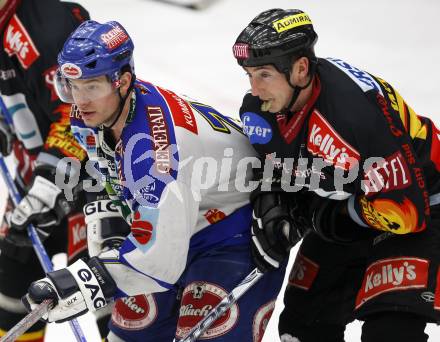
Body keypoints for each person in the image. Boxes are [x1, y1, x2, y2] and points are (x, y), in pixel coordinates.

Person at [22, 20, 287, 341]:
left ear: (123, 81)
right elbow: (109, 177)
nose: (80, 101)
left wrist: (81, 281)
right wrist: (107, 232)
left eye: (92, 87)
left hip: (236, 234)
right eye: (72, 87)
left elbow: (159, 263)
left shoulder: (156, 151)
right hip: (182, 222)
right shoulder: (94, 114)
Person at [232, 8, 440, 342]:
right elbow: (275, 167)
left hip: (422, 202)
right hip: (353, 202)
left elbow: (406, 212)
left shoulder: (355, 116)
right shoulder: (260, 111)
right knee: (302, 327)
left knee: (390, 331)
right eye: (249, 75)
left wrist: (331, 215)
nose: (255, 90)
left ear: (300, 70)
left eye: (264, 75)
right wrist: (275, 202)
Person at [0, 0, 114, 340]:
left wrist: (49, 186)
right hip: (31, 184)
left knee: (118, 308)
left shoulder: (47, 25)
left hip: (91, 186)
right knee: (13, 300)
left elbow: (78, 113)